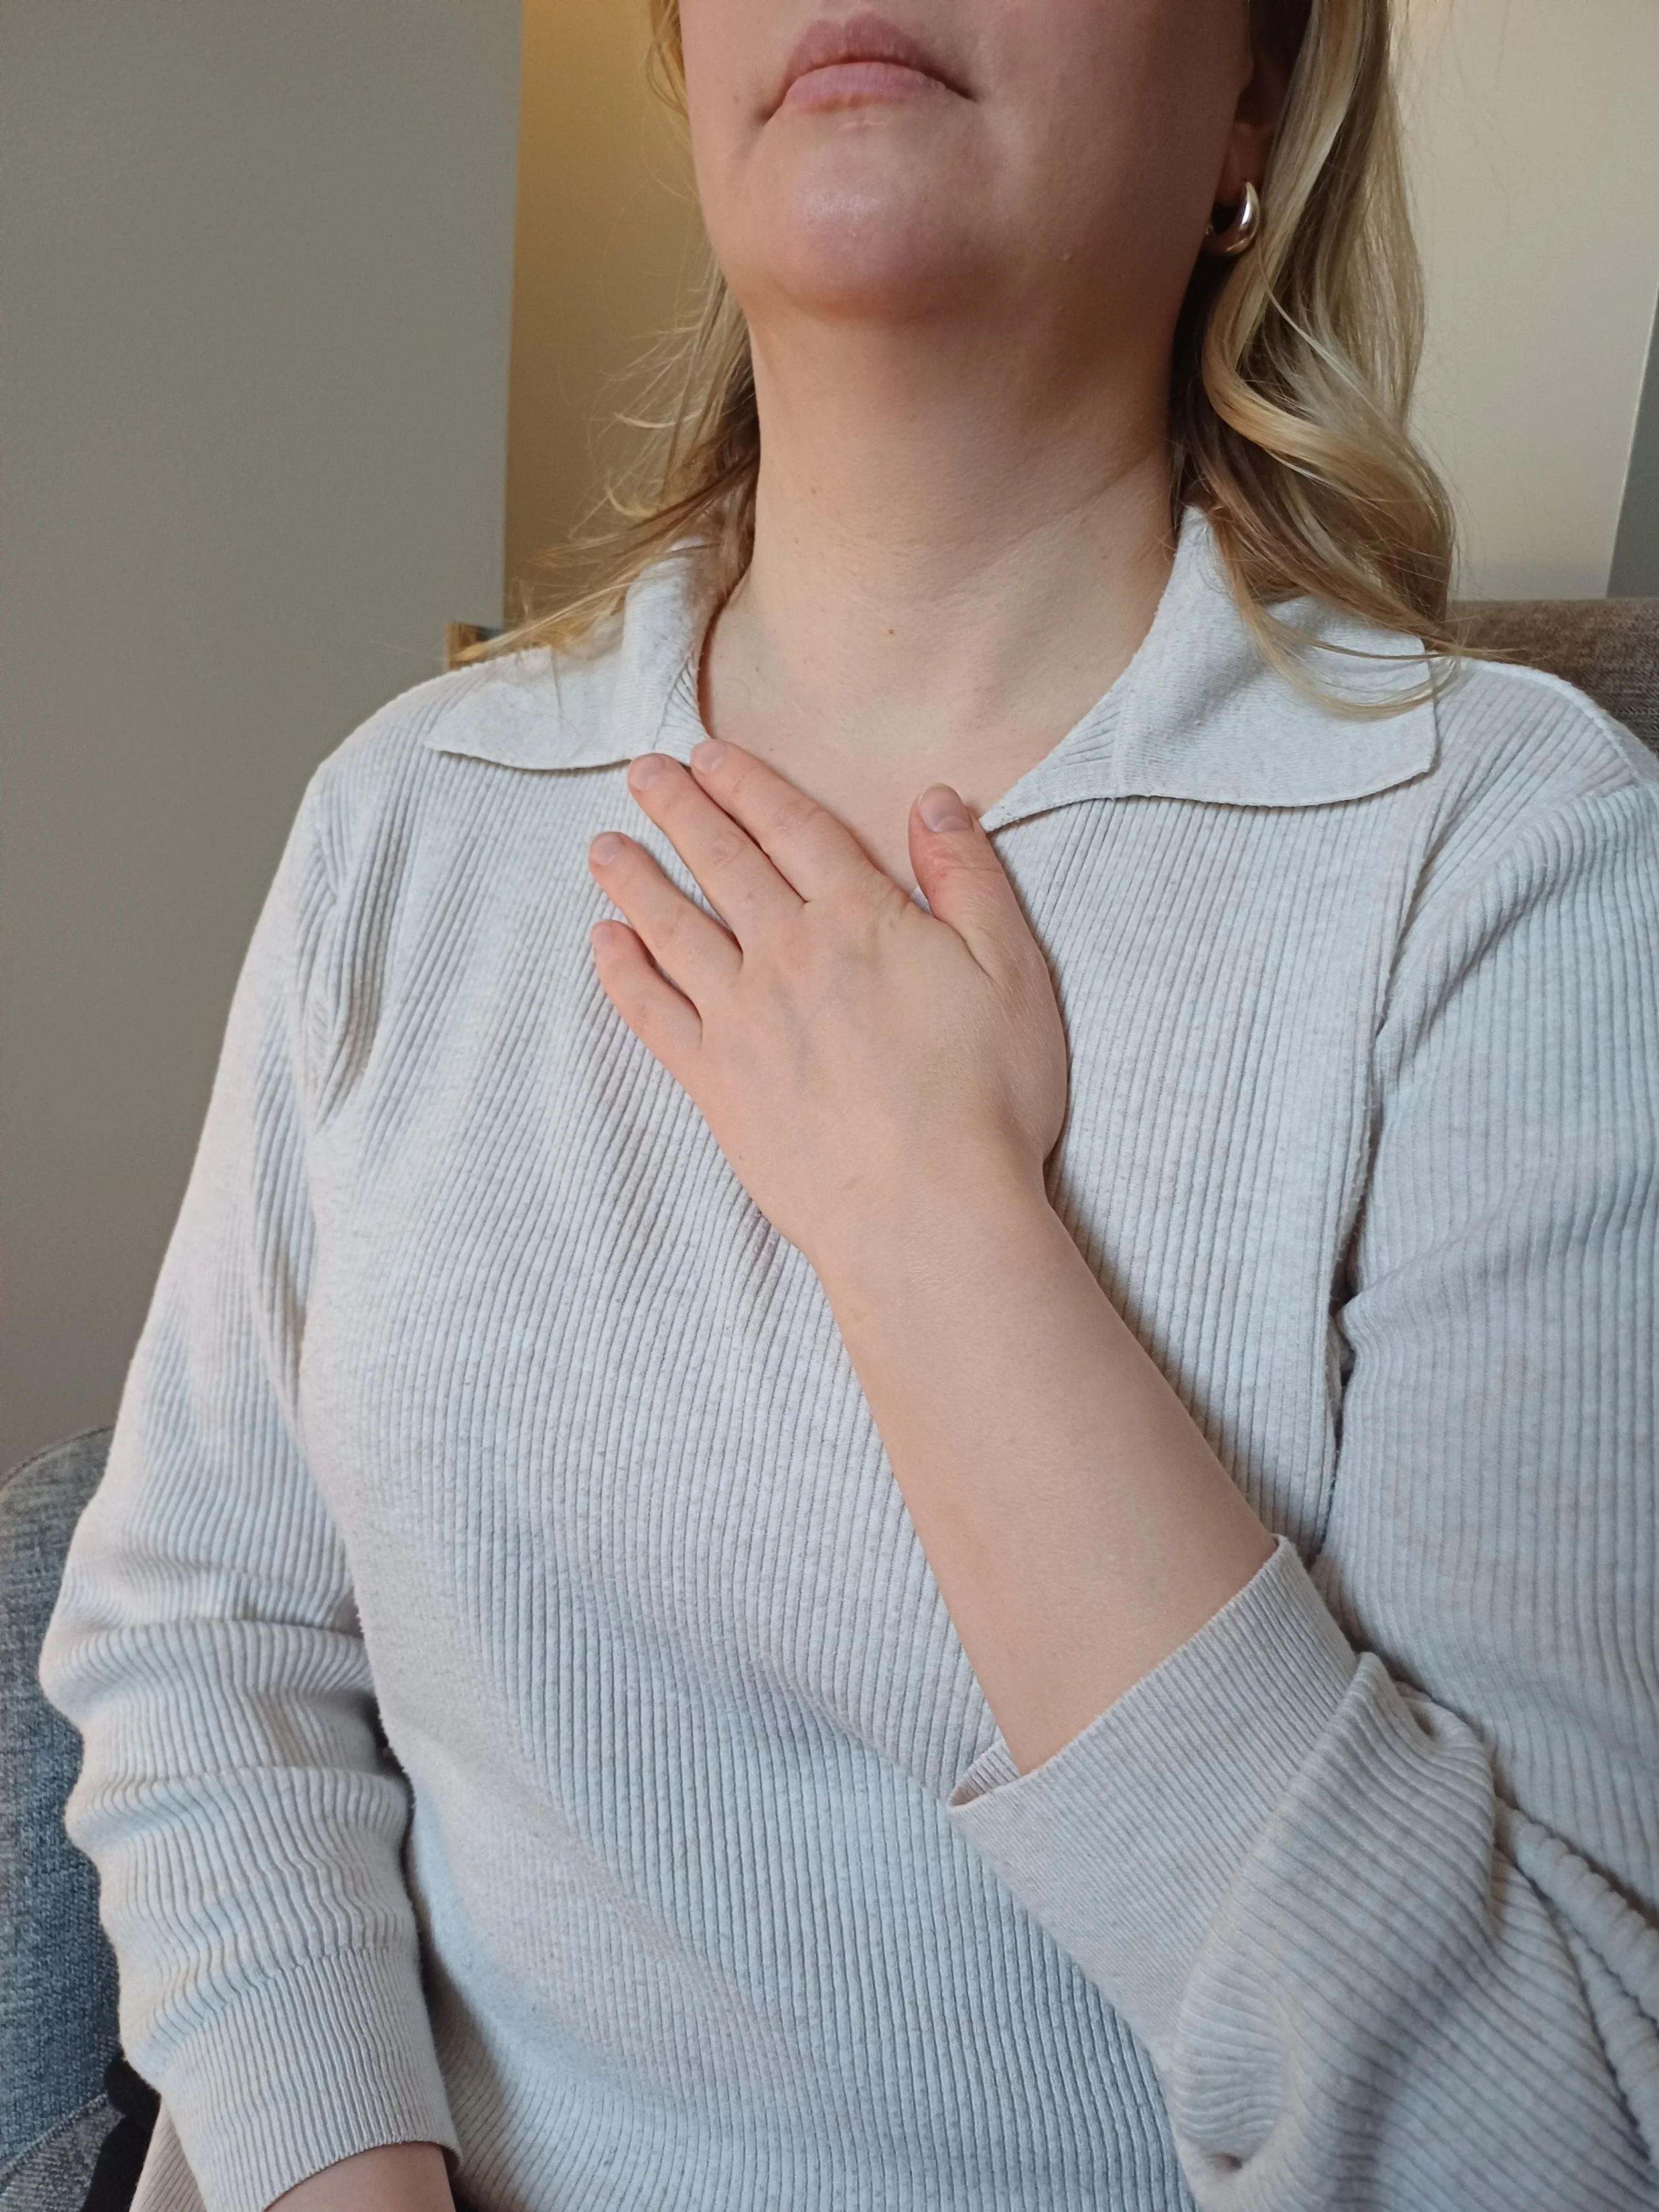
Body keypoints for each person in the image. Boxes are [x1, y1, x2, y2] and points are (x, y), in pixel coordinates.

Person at [39, 1, 1659, 2207]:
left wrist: (940, 1236)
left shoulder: (1505, 865)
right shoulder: (402, 819)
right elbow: (197, 1635)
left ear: (1254, 101)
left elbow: (1546, 2138)